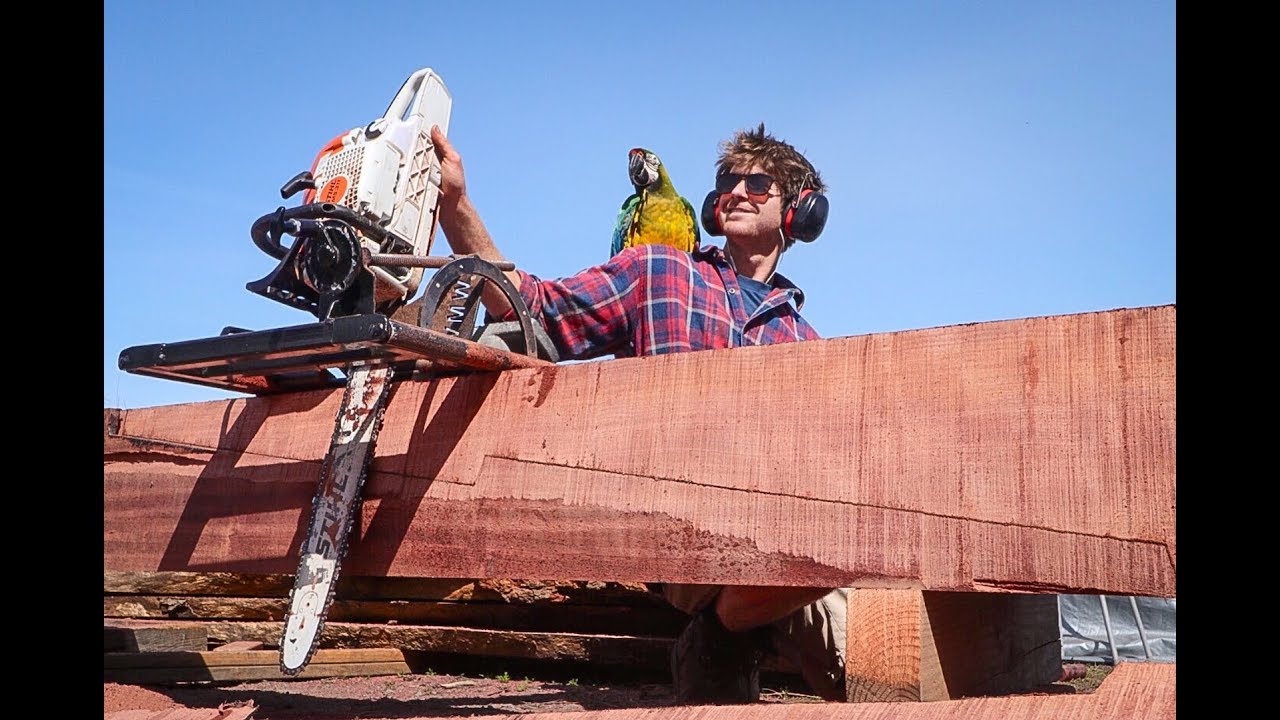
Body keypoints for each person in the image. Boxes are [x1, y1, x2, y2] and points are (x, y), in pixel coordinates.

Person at [429, 122, 847, 704]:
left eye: (759, 181)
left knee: (881, 632)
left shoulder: (808, 342)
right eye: (727, 180)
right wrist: (456, 205)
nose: (737, 190)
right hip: (678, 522)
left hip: (778, 534)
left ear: (800, 212)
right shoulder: (660, 272)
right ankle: (724, 637)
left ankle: (732, 632)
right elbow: (536, 310)